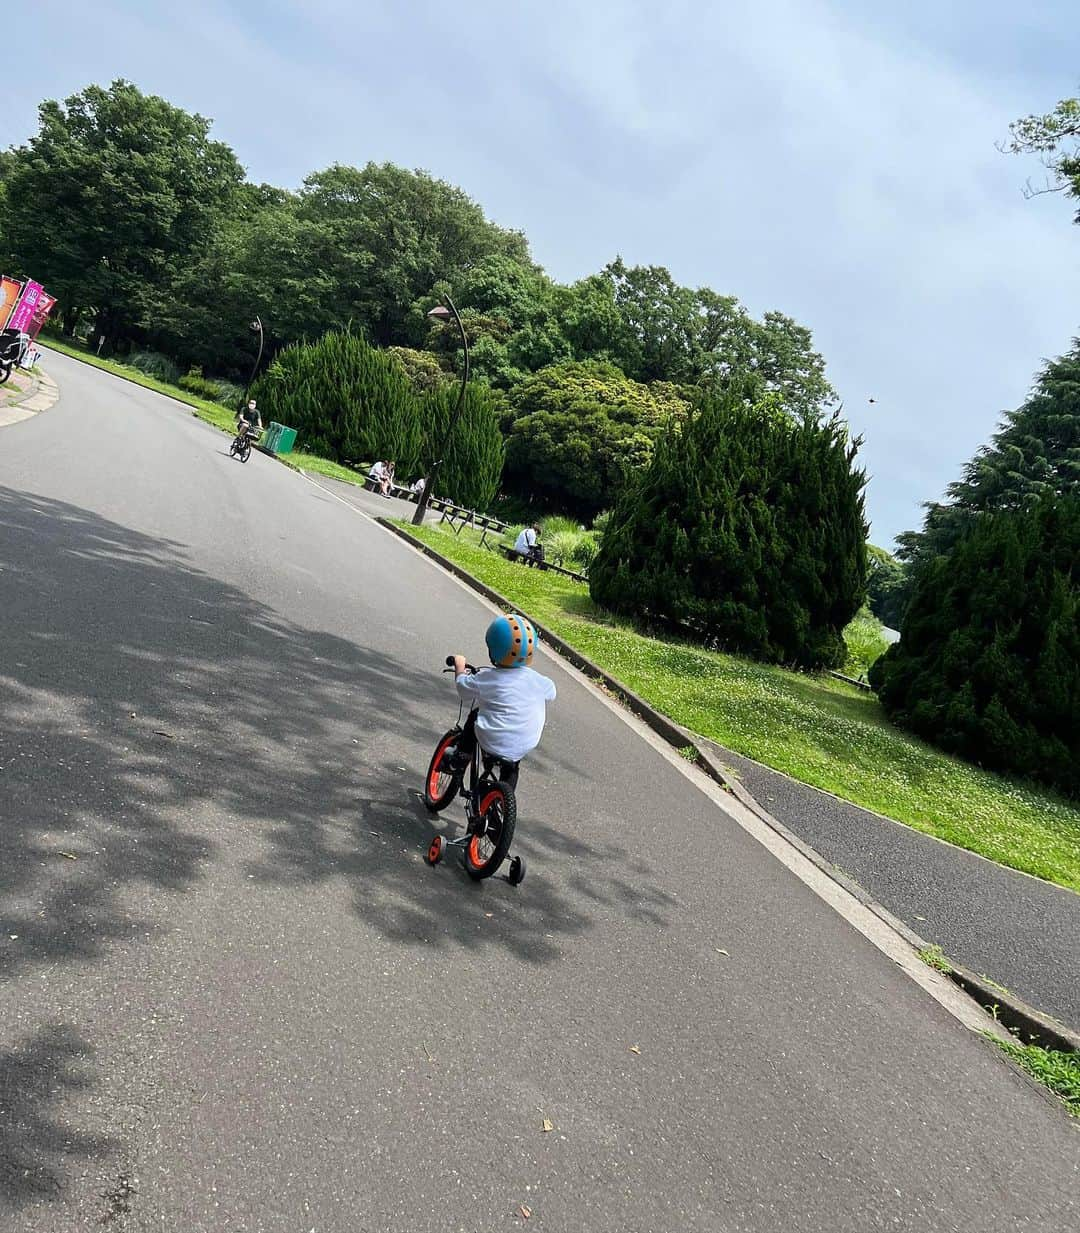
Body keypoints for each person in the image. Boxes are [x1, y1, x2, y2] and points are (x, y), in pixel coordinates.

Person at [448, 614, 556, 791]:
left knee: (475, 714)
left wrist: (460, 666)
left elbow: (463, 689)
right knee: (511, 766)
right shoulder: (538, 680)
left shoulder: (488, 678)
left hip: (491, 739)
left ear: (494, 650)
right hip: (524, 743)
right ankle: (502, 803)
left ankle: (460, 757)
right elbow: (551, 692)